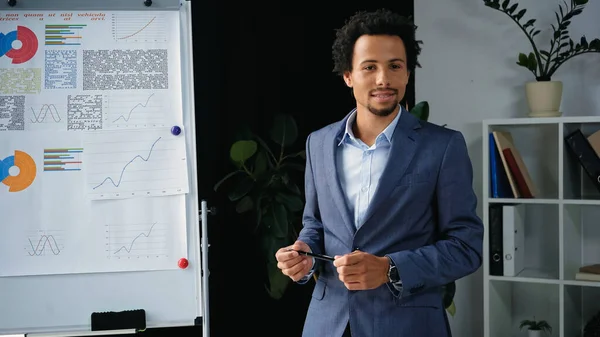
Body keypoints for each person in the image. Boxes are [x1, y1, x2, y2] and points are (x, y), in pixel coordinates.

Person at [274, 8, 484, 337]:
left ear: (407, 73)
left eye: (394, 66)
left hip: (409, 326)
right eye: (369, 67)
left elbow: (466, 247)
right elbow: (315, 225)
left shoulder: (443, 147)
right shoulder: (319, 143)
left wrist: (390, 269)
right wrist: (304, 255)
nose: (383, 79)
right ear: (348, 75)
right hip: (327, 325)